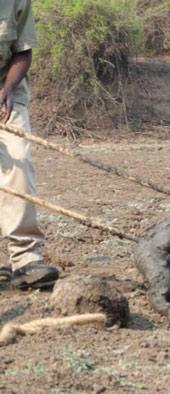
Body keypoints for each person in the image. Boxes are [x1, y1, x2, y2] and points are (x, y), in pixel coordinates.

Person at [0, 0, 58, 289]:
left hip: (6, 95)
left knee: (18, 162)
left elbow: (22, 51)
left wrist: (7, 91)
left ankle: (25, 260)